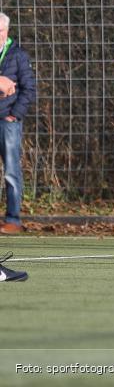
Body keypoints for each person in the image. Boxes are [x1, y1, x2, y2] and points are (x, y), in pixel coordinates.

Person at [0, 13, 36, 235]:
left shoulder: (18, 55)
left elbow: (29, 88)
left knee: (11, 171)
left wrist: (15, 114)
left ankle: (13, 219)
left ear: (6, 31)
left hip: (8, 121)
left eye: (0, 31)